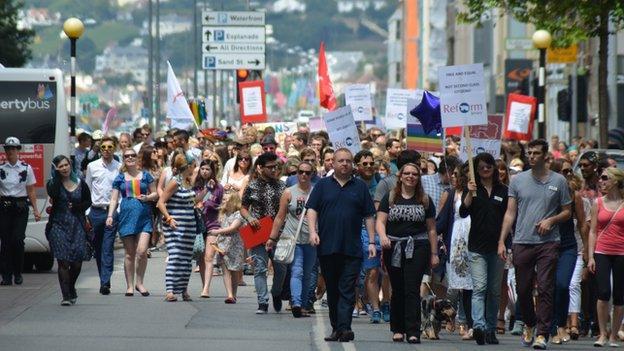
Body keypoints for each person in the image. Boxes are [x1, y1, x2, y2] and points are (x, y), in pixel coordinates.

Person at [498, 139, 572, 349]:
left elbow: (567, 212)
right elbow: (510, 213)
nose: (531, 156)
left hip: (549, 242)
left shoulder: (558, 181)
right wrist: (502, 241)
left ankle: (542, 332)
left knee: (546, 287)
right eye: (529, 153)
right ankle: (529, 323)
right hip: (522, 240)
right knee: (522, 289)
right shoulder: (518, 180)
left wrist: (551, 220)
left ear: (546, 156)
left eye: (536, 153)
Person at [306, 148, 377, 342]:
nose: (344, 164)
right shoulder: (322, 185)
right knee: (334, 289)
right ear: (333, 164)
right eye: (340, 161)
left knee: (347, 288)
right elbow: (312, 209)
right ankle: (336, 327)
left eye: (348, 161)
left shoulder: (360, 186)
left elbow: (369, 215)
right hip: (328, 247)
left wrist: (371, 241)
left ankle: (345, 328)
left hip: (352, 248)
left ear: (352, 164)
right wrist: (313, 232)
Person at [376, 162, 439, 344]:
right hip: (394, 247)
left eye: (414, 174)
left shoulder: (425, 200)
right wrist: (382, 237)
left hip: (418, 247)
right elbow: (380, 221)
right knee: (398, 287)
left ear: (418, 178)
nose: (410, 177)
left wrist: (434, 253)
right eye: (407, 174)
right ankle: (398, 328)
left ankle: (413, 330)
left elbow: (432, 229)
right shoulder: (391, 197)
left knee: (412, 288)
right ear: (400, 176)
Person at [460, 153, 508, 345]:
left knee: (494, 290)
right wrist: (469, 195)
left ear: (494, 169)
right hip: (477, 247)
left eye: (489, 166)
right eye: (481, 167)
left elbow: (509, 218)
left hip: (498, 247)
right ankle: (478, 326)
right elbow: (463, 212)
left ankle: (490, 328)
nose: (485, 170)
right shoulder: (472, 189)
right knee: (479, 287)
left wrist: (504, 242)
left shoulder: (503, 190)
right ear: (476, 170)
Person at [267, 161, 315, 318]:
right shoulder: (288, 192)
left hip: (311, 239)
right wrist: (272, 238)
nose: (303, 175)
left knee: (307, 273)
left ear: (312, 174)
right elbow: (280, 217)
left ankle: (304, 304)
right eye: (301, 172)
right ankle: (296, 303)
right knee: (297, 270)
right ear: (297, 173)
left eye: (307, 173)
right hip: (292, 238)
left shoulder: (316, 192)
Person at [547, 159, 588, 344]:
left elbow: (581, 224)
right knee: (548, 286)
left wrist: (587, 249)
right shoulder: (546, 193)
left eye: (570, 172)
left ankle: (561, 325)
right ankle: (550, 325)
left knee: (563, 284)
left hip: (568, 246)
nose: (568, 175)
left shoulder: (574, 195)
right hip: (546, 244)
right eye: (564, 171)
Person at [240, 152, 287, 314]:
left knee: (281, 269)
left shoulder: (282, 186)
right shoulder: (252, 186)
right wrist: (249, 217)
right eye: (270, 167)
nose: (274, 170)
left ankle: (276, 292)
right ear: (260, 168)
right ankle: (262, 302)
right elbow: (243, 207)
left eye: (276, 167)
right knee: (260, 268)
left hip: (279, 233)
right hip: (258, 232)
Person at [107, 148, 157, 296]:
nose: (130, 158)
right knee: (129, 253)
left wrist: (148, 198)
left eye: (132, 155)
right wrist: (110, 215)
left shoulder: (146, 176)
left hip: (144, 217)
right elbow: (114, 199)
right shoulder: (120, 178)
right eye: (126, 156)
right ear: (123, 159)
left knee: (141, 251)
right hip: (126, 217)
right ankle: (129, 286)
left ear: (137, 158)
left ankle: (139, 283)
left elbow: (155, 194)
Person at [46, 155, 92, 305]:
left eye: (66, 165)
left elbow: (88, 201)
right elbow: (52, 193)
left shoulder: (80, 183)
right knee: (63, 262)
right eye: (60, 166)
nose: (64, 168)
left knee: (77, 262)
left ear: (70, 165)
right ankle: (66, 296)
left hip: (77, 225)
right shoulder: (54, 184)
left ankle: (71, 287)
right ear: (56, 169)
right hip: (58, 225)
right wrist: (56, 176)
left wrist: (78, 207)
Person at [587, 167, 624, 347]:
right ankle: (602, 333)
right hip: (602, 251)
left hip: (622, 252)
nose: (600, 181)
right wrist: (591, 256)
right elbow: (592, 231)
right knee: (603, 292)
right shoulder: (598, 202)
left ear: (615, 181)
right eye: (600, 178)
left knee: (619, 295)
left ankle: (614, 335)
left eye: (604, 178)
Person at [439, 162, 473, 340]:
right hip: (458, 241)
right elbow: (442, 219)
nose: (452, 177)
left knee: (476, 287)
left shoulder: (476, 192)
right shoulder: (452, 194)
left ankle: (472, 323)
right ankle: (460, 320)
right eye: (451, 174)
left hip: (475, 239)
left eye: (456, 174)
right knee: (459, 287)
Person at [0, 137, 41, 286]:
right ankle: (6, 275)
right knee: (5, 242)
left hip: (20, 207)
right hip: (4, 207)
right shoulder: (1, 169)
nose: (10, 151)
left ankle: (18, 272)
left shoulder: (26, 168)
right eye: (8, 149)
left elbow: (31, 190)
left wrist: (36, 210)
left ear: (18, 150)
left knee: (17, 240)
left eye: (13, 149)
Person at [157, 153, 197, 302]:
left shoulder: (188, 182)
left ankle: (183, 289)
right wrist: (169, 217)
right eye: (193, 165)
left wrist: (207, 191)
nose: (195, 168)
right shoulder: (175, 182)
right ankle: (170, 290)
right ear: (187, 166)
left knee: (186, 259)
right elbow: (161, 202)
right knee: (175, 256)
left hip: (189, 225)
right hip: (175, 226)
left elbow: (192, 201)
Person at [84, 136, 120, 295]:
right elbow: (87, 189)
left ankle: (105, 282)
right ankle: (103, 277)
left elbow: (122, 191)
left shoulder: (119, 167)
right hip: (95, 211)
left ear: (114, 148)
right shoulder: (92, 166)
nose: (106, 150)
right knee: (98, 249)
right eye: (103, 147)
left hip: (112, 211)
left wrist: (118, 210)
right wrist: (86, 212)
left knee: (107, 248)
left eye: (110, 147)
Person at [208, 192, 244, 304]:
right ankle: (229, 294)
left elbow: (233, 228)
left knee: (234, 270)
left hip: (235, 245)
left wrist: (217, 232)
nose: (223, 201)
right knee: (226, 270)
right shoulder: (222, 214)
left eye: (226, 199)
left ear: (233, 201)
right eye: (223, 199)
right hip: (223, 245)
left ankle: (234, 294)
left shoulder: (238, 214)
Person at [195, 160, 224, 298]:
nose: (205, 171)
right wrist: (206, 188)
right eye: (203, 169)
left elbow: (222, 205)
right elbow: (194, 201)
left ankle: (206, 288)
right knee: (200, 257)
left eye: (208, 169)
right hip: (199, 225)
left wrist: (215, 206)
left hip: (213, 223)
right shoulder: (196, 186)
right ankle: (203, 284)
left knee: (209, 257)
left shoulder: (219, 187)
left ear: (213, 171)